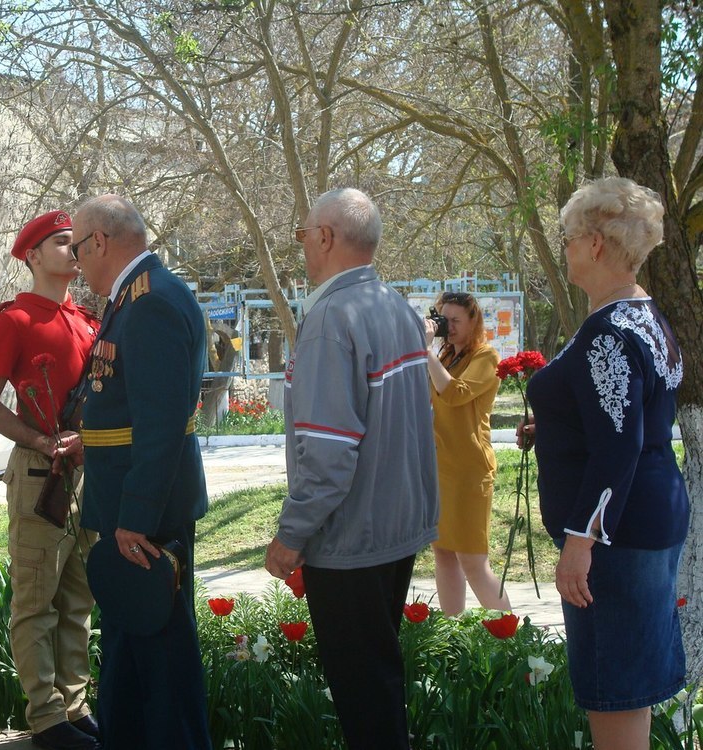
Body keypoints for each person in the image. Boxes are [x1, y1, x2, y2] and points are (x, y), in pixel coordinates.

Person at [265, 187, 439, 750]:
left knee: (364, 694)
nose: (303, 246)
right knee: (380, 683)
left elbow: (328, 455)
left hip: (351, 538)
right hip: (395, 528)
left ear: (325, 237)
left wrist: (290, 537)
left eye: (302, 235)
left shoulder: (330, 320)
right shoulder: (394, 305)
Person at [526, 177, 688, 750]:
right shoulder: (646, 318)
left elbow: (618, 445)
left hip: (615, 536)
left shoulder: (608, 334)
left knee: (615, 696)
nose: (565, 247)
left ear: (595, 244)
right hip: (651, 515)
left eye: (568, 237)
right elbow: (627, 418)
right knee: (630, 695)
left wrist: (579, 543)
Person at [72, 194, 211, 750]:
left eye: (78, 247)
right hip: (132, 507)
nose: (78, 261)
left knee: (164, 665)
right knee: (133, 659)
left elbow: (159, 425)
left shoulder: (149, 302)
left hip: (146, 519)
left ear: (100, 242)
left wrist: (134, 516)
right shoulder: (134, 296)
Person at [0, 210, 101, 750]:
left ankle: (74, 705)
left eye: (76, 243)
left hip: (87, 476)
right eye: (62, 243)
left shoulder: (90, 320)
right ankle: (46, 718)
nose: (74, 251)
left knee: (78, 600)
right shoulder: (15, 320)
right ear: (32, 256)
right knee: (35, 600)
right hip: (40, 474)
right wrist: (40, 441)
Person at [423, 291, 511, 615]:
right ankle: (452, 634)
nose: (449, 327)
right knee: (444, 553)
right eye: (444, 320)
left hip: (471, 471)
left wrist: (426, 352)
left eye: (456, 320)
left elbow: (455, 393)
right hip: (441, 468)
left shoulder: (486, 358)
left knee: (472, 560)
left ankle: (513, 635)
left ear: (474, 322)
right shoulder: (446, 357)